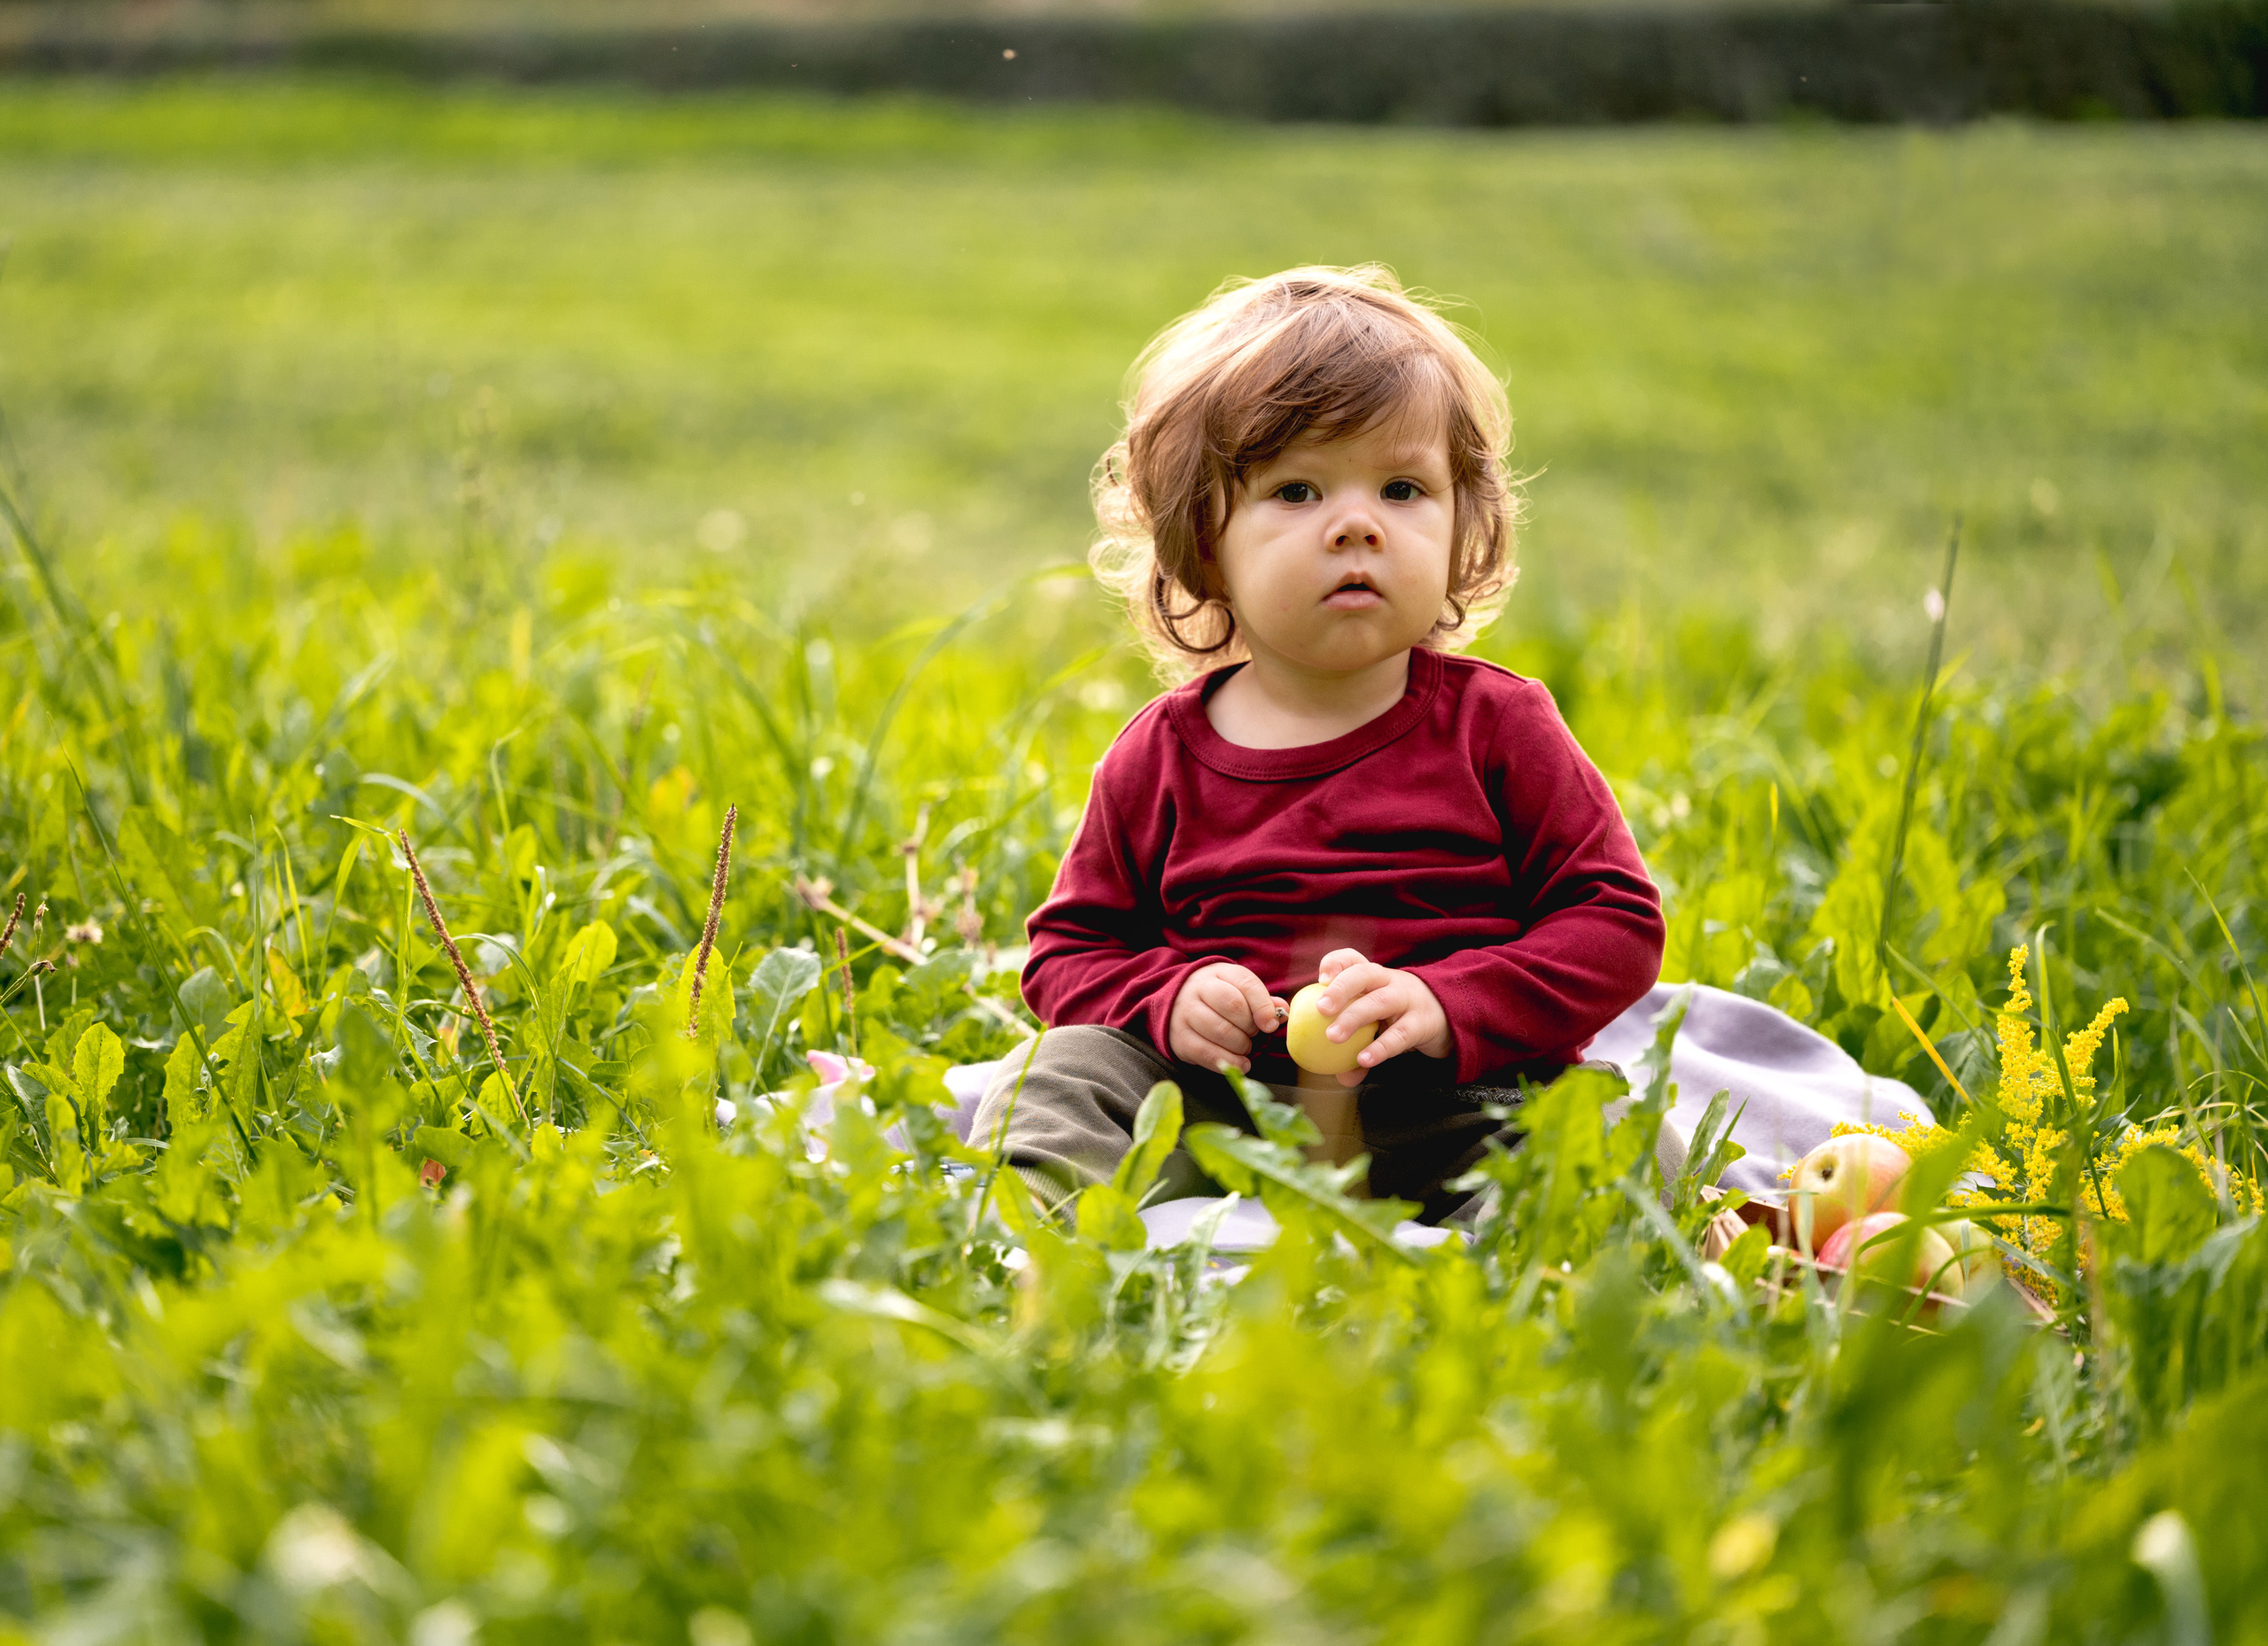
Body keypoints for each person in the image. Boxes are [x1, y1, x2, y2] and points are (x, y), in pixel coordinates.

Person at [971, 266, 1664, 1223]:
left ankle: (1512, 1265)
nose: (1356, 525)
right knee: (1059, 1073)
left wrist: (1448, 1002)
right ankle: (1038, 1245)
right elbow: (1068, 951)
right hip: (1215, 1105)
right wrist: (1167, 997)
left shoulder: (1498, 727)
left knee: (1614, 1132)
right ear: (1200, 543)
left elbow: (1613, 922)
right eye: (1296, 489)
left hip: (1458, 1101)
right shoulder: (1161, 754)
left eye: (1402, 487)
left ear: (1466, 523)